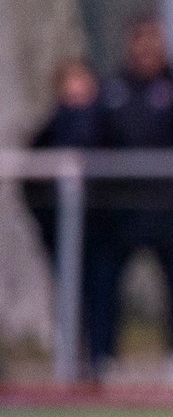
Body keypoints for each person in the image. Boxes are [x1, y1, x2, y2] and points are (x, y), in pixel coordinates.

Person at [90, 17, 173, 382]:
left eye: (152, 42)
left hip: (164, 210)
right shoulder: (111, 91)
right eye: (139, 42)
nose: (145, 51)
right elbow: (93, 142)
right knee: (106, 285)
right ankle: (103, 357)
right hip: (118, 212)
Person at [27, 58, 106, 270]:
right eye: (68, 80)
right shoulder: (51, 128)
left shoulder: (108, 124)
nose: (74, 87)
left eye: (79, 79)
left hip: (101, 224)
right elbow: (30, 179)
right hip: (58, 221)